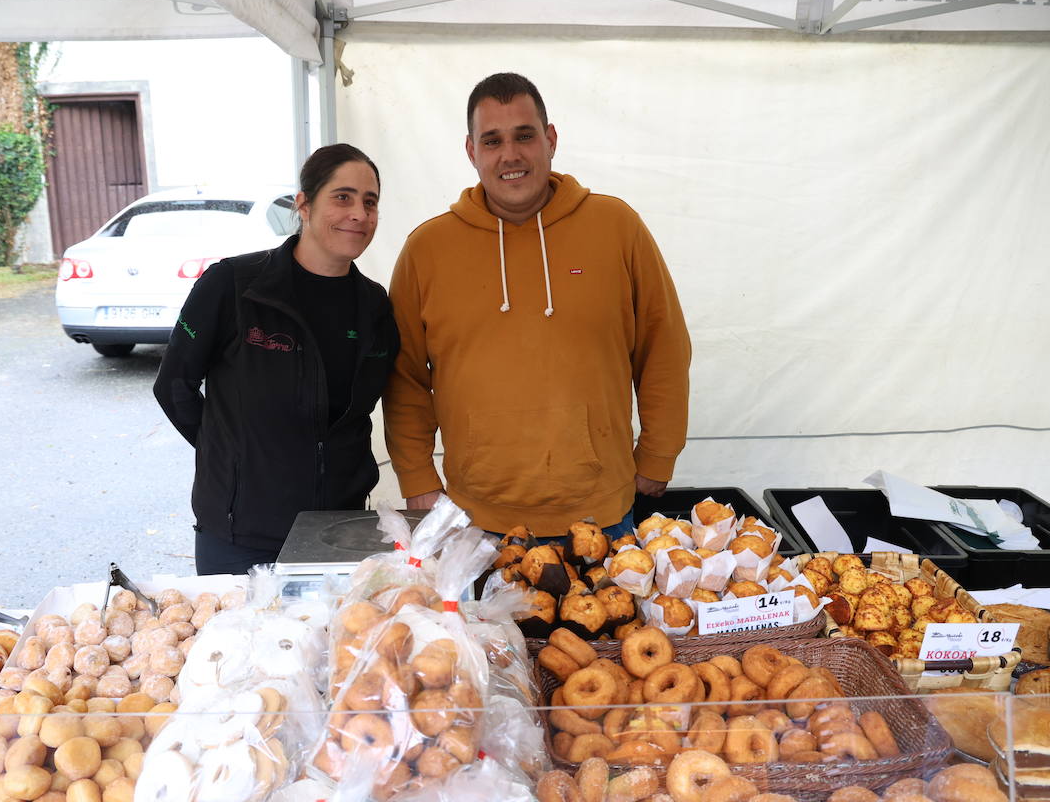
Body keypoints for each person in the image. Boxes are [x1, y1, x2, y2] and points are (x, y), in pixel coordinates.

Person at [383, 72, 691, 539]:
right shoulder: (427, 248)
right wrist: (417, 476)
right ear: (471, 151)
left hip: (602, 515)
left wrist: (658, 454)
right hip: (476, 522)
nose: (510, 155)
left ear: (550, 139)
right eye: (492, 141)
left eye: (524, 135)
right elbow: (404, 375)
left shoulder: (617, 227)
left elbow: (663, 346)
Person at [154, 144, 399, 575]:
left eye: (370, 201)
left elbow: (382, 404)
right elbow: (174, 387)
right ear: (303, 205)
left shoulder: (375, 305)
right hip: (240, 538)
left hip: (339, 532)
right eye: (342, 197)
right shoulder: (232, 286)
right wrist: (232, 458)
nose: (359, 213)